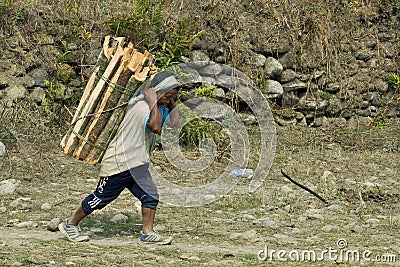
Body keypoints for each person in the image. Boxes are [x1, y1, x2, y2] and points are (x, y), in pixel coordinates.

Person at [58, 70, 180, 244]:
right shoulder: (142, 107)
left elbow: (175, 125)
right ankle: (70, 224)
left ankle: (147, 232)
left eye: (170, 98)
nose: (167, 100)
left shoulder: (158, 107)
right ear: (156, 91)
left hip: (137, 164)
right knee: (100, 199)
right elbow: (155, 127)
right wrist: (154, 100)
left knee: (150, 195)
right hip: (120, 162)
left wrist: (170, 100)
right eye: (166, 96)